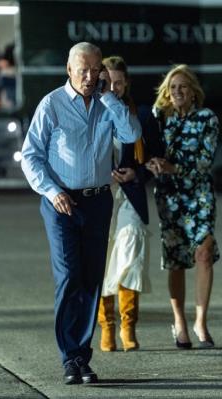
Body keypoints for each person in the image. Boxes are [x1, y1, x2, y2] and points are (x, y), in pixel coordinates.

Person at [20, 42, 141, 385]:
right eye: (83, 70)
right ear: (69, 70)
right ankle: (69, 356)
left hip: (98, 200)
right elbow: (30, 156)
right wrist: (52, 190)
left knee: (91, 279)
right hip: (61, 202)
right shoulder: (52, 104)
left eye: (95, 70)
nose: (89, 77)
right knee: (69, 276)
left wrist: (109, 97)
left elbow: (132, 134)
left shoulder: (107, 104)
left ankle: (81, 358)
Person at [145, 64, 220, 349]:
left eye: (182, 87)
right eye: (172, 87)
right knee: (176, 261)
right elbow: (145, 147)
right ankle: (179, 321)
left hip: (199, 194)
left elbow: (205, 161)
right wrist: (150, 163)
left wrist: (172, 167)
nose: (177, 91)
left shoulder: (206, 118)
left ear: (193, 92)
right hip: (170, 196)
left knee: (203, 253)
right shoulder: (159, 118)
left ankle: (201, 320)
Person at [97, 56, 151, 352]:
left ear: (126, 83)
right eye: (109, 82)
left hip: (130, 194)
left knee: (130, 258)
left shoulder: (139, 114)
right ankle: (107, 327)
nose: (114, 88)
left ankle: (128, 326)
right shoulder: (92, 112)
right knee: (102, 262)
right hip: (101, 193)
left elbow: (154, 157)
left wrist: (136, 172)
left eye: (119, 82)